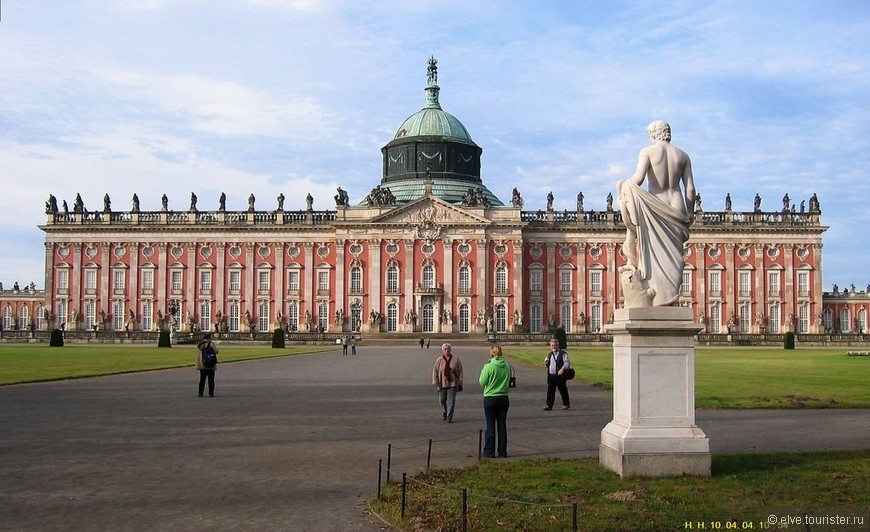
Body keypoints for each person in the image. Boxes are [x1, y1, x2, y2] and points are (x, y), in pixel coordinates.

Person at [616, 120, 696, 307]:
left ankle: (659, 301)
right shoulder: (683, 155)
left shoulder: (648, 152)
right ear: (668, 133)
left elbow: (637, 180)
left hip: (656, 207)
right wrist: (690, 213)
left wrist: (623, 186)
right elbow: (690, 189)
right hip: (677, 207)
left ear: (653, 135)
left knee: (654, 258)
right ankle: (668, 302)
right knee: (675, 260)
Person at [479, 344, 511, 458]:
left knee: (490, 425)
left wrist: (484, 371)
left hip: (490, 398)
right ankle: (502, 452)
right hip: (504, 397)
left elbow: (482, 382)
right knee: (502, 425)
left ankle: (489, 452)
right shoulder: (507, 365)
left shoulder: (488, 366)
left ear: (491, 353)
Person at [432, 343, 463, 423]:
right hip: (441, 383)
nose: (447, 351)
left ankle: (449, 416)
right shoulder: (439, 360)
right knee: (442, 400)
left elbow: (460, 371)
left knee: (451, 401)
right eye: (445, 349)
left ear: (450, 350)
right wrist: (435, 381)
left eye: (448, 349)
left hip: (453, 383)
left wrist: (460, 381)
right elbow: (435, 371)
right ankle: (445, 411)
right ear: (442, 350)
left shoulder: (456, 359)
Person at [543, 338, 570, 411]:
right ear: (550, 346)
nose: (553, 347)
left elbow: (567, 363)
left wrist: (562, 369)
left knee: (563, 390)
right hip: (551, 375)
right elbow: (547, 363)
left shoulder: (563, 354)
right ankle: (549, 405)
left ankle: (566, 404)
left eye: (555, 345)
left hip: (560, 376)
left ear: (558, 345)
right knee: (550, 391)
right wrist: (546, 364)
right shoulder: (550, 354)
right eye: (552, 345)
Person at [196, 333, 219, 397]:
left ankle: (200, 393)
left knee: (202, 380)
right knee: (211, 380)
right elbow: (216, 351)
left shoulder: (200, 344)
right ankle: (211, 393)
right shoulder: (211, 344)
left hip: (203, 364)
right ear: (209, 337)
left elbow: (198, 355)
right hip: (211, 364)